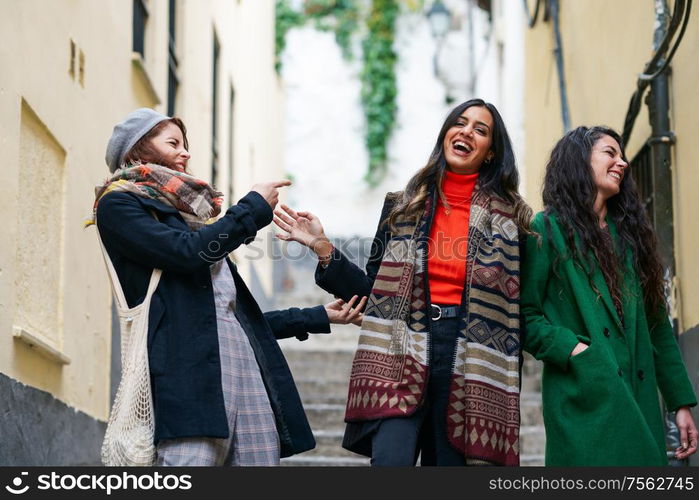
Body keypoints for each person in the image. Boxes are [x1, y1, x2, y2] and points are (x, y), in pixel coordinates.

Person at [88, 108, 366, 466]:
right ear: (137, 150)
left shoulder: (191, 222)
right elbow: (188, 254)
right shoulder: (118, 204)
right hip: (187, 378)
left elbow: (235, 322)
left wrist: (318, 316)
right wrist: (251, 207)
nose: (185, 152)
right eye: (173, 143)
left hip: (245, 376)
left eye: (185, 144)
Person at [274, 99, 531, 466]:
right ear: (446, 135)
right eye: (460, 123)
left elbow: (524, 305)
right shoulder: (403, 206)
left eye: (480, 129)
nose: (466, 132)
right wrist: (321, 246)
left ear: (491, 152)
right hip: (400, 346)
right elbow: (371, 294)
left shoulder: (515, 220)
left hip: (472, 359)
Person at [521, 125, 698, 466]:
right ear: (579, 160)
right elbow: (525, 315)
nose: (622, 163)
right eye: (609, 153)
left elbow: (658, 325)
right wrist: (574, 350)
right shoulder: (546, 229)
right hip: (583, 397)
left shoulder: (632, 239)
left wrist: (681, 403)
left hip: (638, 397)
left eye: (622, 155)